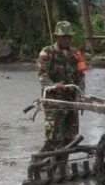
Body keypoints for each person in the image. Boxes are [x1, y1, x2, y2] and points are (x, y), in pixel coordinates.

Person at [36, 21, 87, 152]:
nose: (67, 39)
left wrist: (80, 93)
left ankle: (61, 165)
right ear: (56, 37)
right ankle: (39, 164)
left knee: (70, 138)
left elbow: (80, 75)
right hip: (54, 102)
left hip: (71, 100)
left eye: (69, 37)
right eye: (64, 36)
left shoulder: (75, 54)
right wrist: (53, 85)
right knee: (53, 138)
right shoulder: (47, 53)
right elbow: (42, 74)